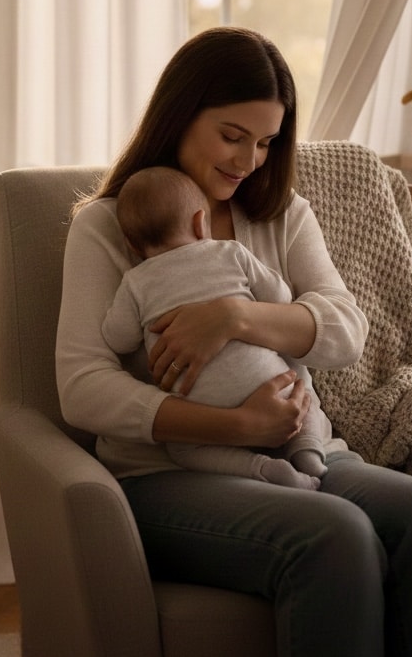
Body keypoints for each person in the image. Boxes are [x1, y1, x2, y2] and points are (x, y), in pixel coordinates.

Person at [55, 26, 412, 657]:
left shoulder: (282, 216)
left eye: (264, 142)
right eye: (232, 136)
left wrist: (233, 317)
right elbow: (82, 386)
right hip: (167, 474)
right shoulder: (107, 227)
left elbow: (345, 329)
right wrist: (234, 424)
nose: (248, 159)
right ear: (179, 115)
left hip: (302, 451)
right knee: (335, 537)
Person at [102, 164, 329, 490]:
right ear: (200, 221)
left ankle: (263, 470)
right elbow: (281, 298)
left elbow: (118, 339)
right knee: (298, 374)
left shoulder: (135, 283)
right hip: (265, 378)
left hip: (199, 405)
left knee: (183, 449)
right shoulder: (230, 252)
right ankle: (307, 449)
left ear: (133, 245)